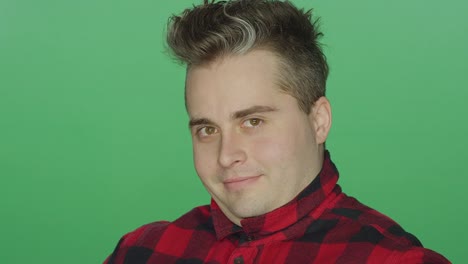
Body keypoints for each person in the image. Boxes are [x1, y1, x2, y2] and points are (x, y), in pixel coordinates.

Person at [104, 0, 450, 263]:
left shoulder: (388, 258)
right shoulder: (142, 252)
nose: (227, 156)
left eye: (253, 122)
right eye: (207, 129)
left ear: (319, 121)